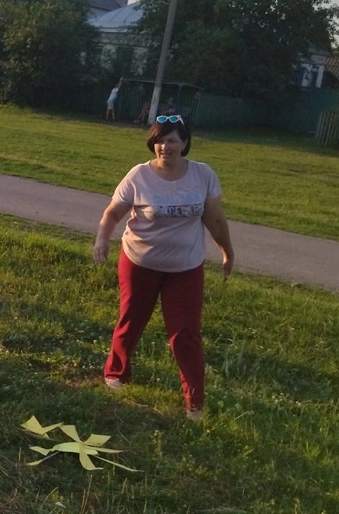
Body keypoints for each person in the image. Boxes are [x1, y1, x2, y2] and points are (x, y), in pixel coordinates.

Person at [92, 115, 235, 419]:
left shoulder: (202, 175)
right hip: (139, 261)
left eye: (171, 140)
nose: (164, 146)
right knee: (131, 318)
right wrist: (102, 239)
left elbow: (215, 218)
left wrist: (227, 251)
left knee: (185, 332)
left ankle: (194, 401)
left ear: (184, 144)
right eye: (159, 139)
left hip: (185, 267)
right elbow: (113, 213)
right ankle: (116, 372)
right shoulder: (139, 176)